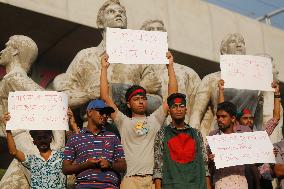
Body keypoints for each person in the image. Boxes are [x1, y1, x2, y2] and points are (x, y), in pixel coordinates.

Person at [53, 0, 162, 119]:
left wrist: (123, 93)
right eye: (111, 12)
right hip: (93, 131)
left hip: (131, 128)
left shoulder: (140, 58)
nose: (118, 14)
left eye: (121, 12)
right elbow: (62, 98)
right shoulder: (85, 57)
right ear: (100, 23)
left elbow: (158, 103)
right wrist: (90, 95)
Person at [100, 51, 178, 189]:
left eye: (143, 99)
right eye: (136, 99)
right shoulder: (123, 121)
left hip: (153, 180)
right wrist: (104, 68)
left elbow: (172, 96)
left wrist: (170, 67)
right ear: (129, 104)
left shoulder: (156, 119)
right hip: (130, 179)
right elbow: (105, 98)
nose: (141, 102)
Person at [0, 35, 65, 188]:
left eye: (7, 46)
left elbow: (53, 101)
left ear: (16, 52)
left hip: (27, 142)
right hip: (20, 142)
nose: (2, 51)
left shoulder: (14, 77)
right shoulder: (11, 78)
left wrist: (59, 144)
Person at [190, 33, 264, 140]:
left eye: (242, 42)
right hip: (219, 137)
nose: (239, 45)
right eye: (233, 42)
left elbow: (258, 119)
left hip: (247, 139)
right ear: (224, 50)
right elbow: (197, 113)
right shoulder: (211, 79)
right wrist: (193, 141)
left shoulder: (255, 83)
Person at [140, 19, 201, 124]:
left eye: (160, 29)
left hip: (182, 134)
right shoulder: (135, 70)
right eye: (150, 29)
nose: (156, 32)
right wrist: (142, 86)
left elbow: (199, 109)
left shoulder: (187, 73)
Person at [62, 99, 126, 188]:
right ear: (89, 112)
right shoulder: (75, 138)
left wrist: (109, 164)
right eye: (101, 112)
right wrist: (85, 165)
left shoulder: (113, 137)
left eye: (106, 113)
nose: (105, 116)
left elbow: (123, 166)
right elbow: (65, 168)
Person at [153, 93, 207, 189]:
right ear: (169, 111)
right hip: (171, 185)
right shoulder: (162, 133)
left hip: (195, 185)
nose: (178, 109)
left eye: (181, 106)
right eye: (174, 107)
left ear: (186, 110)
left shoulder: (196, 134)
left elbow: (204, 164)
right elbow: (158, 165)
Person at [2, 112, 67, 189]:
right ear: (34, 142)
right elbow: (13, 152)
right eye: (39, 138)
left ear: (50, 139)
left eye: (45, 137)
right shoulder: (31, 160)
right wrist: (8, 130)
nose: (42, 140)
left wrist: (72, 123)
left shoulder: (62, 156)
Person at [207, 101, 249, 189]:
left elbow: (256, 160)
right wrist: (210, 160)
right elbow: (209, 168)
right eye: (218, 117)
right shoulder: (213, 137)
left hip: (241, 184)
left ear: (233, 118)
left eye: (223, 116)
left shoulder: (243, 135)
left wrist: (267, 153)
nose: (220, 119)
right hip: (221, 183)